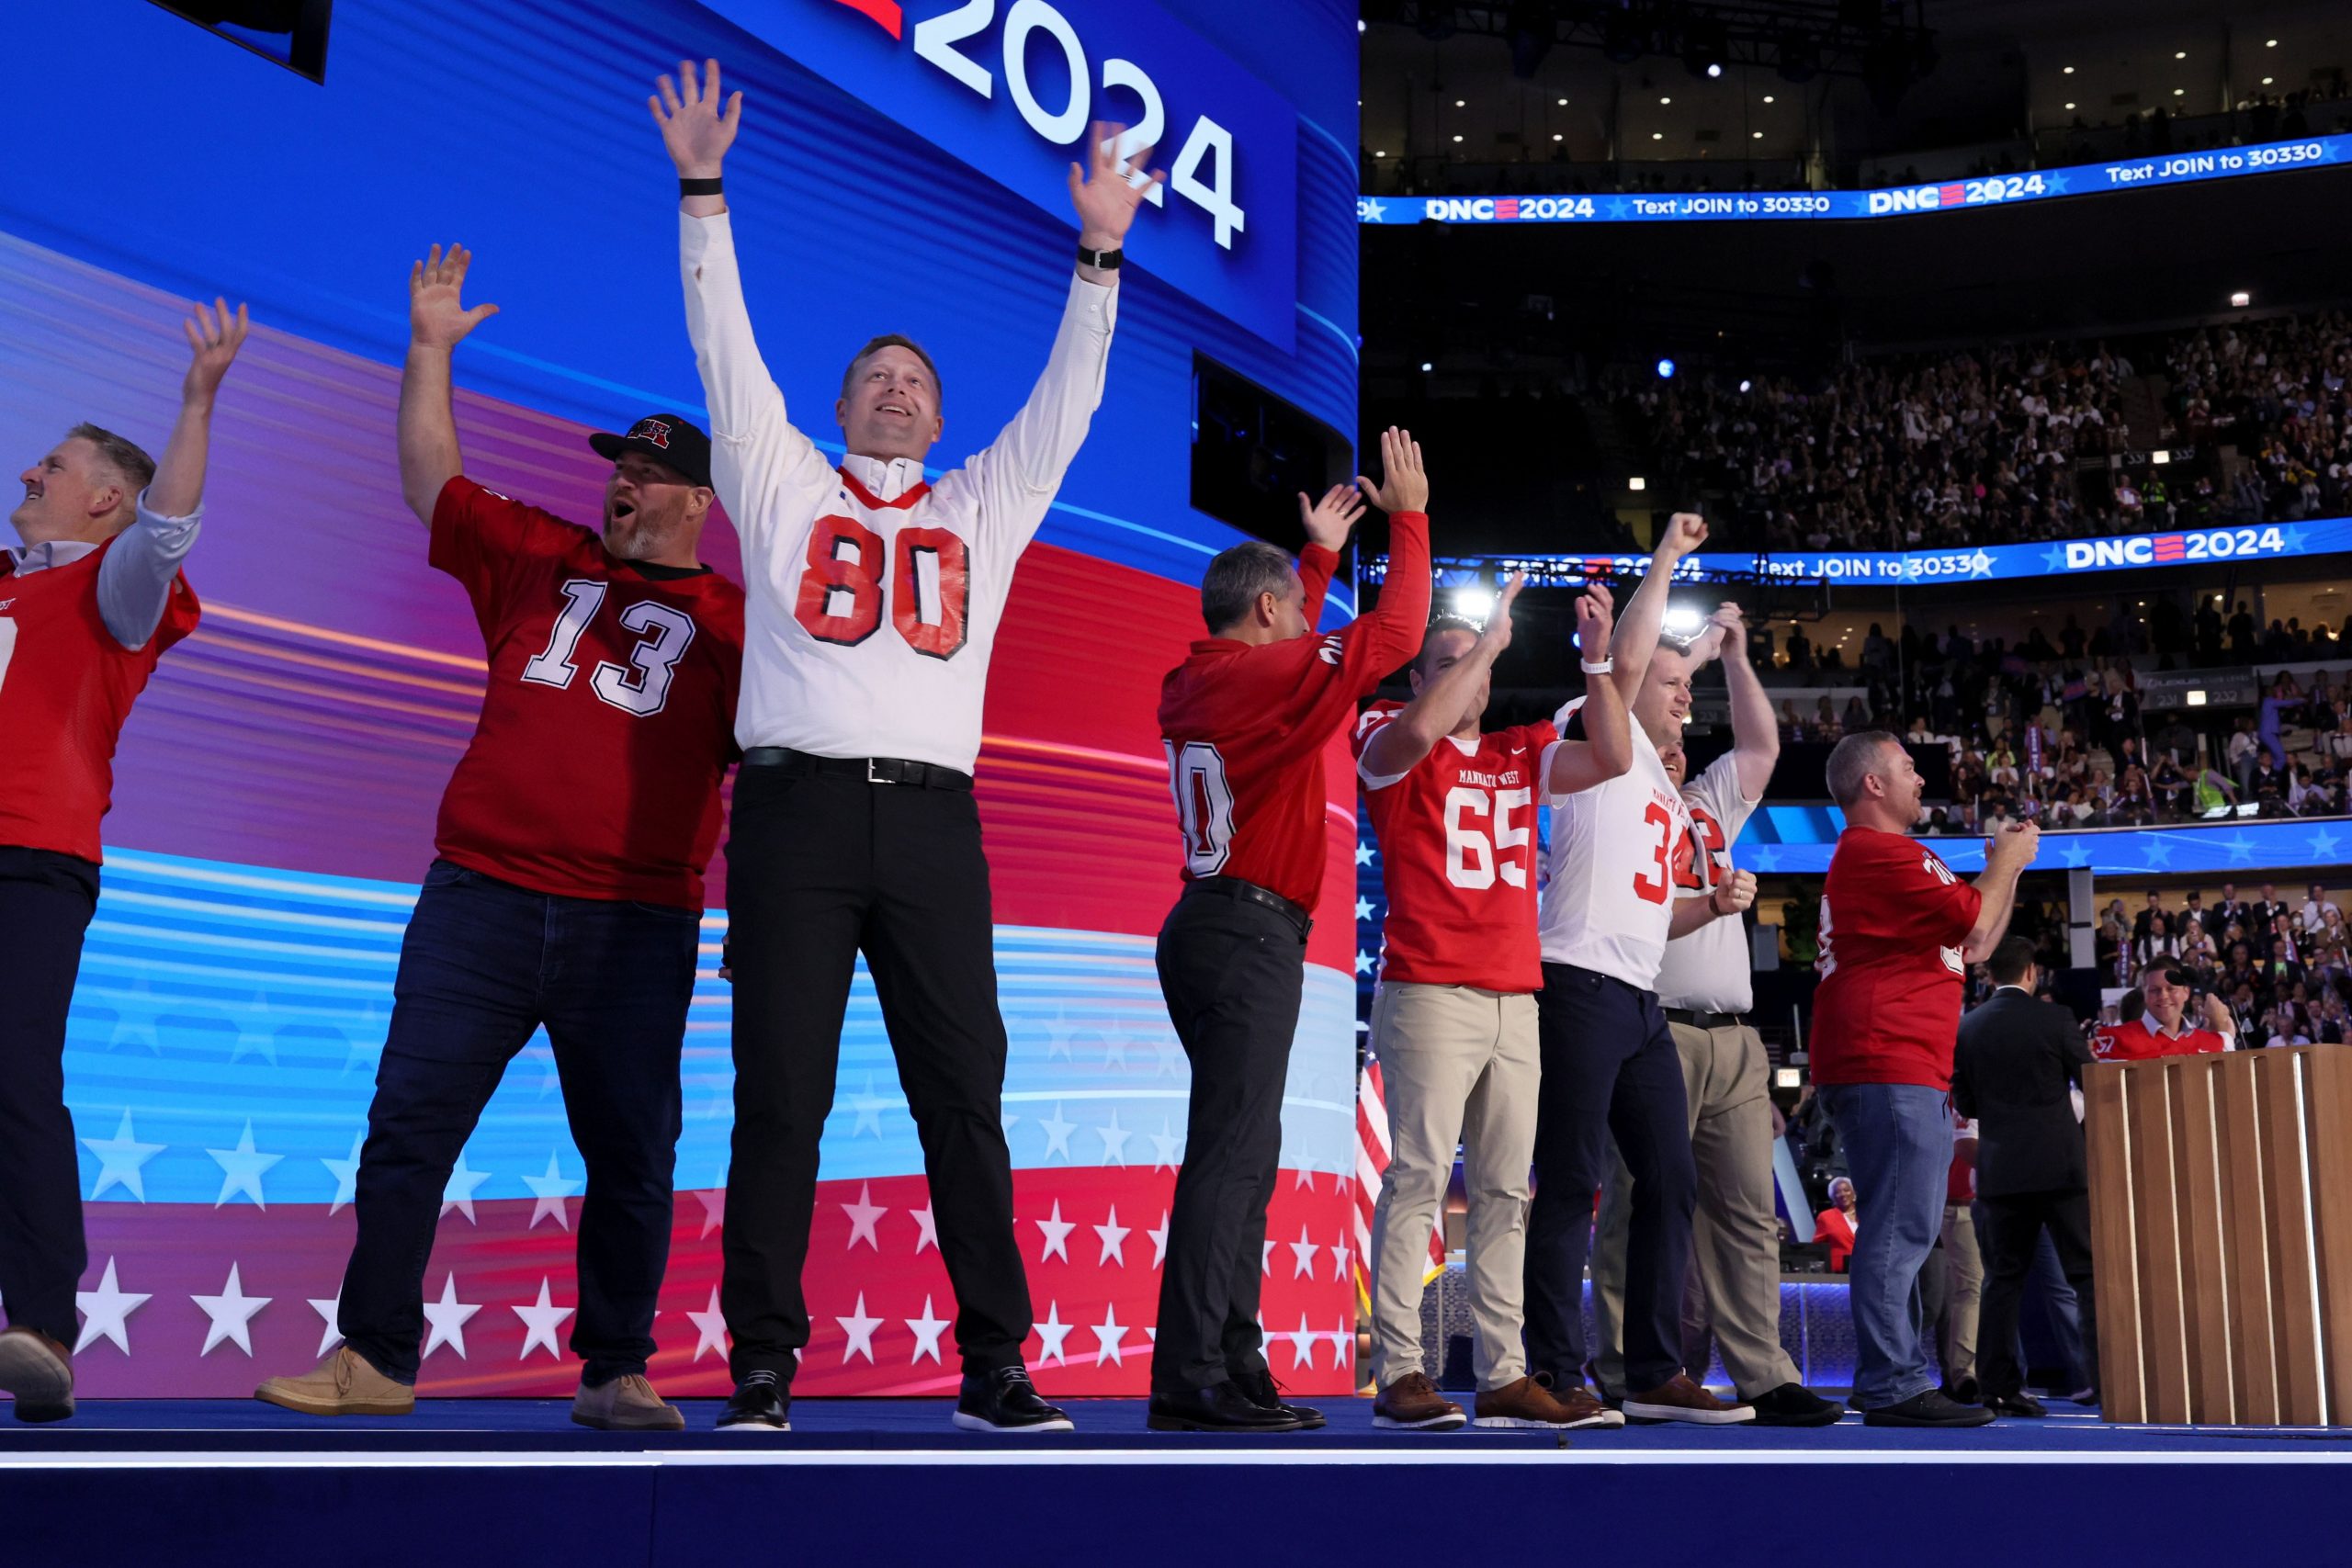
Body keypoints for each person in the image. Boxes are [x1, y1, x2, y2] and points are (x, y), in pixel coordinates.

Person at [653, 60, 1159, 1434]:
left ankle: (996, 1358)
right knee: (782, 1095)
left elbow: (1065, 406)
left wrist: (1100, 256)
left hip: (937, 823)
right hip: (795, 815)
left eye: (913, 380)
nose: (892, 389)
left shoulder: (984, 505)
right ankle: (764, 1361)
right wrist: (706, 196)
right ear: (840, 404)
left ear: (938, 418)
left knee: (964, 1095)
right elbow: (725, 348)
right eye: (873, 375)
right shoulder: (778, 479)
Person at [255, 245, 744, 1432]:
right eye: (618, 466)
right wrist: (428, 350)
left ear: (694, 500)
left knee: (633, 1147)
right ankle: (374, 1353)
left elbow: (789, 764)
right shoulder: (537, 555)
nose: (622, 482)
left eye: (646, 471)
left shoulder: (743, 624)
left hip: (636, 920)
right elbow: (435, 482)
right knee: (407, 1123)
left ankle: (616, 1365)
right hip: (478, 893)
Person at [1148, 430, 1432, 1431]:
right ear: (1269, 613)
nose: (1309, 621)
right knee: (1230, 1157)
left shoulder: (1201, 678)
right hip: (1247, 939)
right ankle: (1190, 1376)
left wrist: (1311, 559)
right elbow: (1394, 640)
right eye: (1300, 607)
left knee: (1242, 1153)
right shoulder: (1263, 679)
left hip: (1205, 927)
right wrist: (1410, 517)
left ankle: (1232, 1359)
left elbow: (1289, 649)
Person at [0, 298, 243, 1424]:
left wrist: (196, 400)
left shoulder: (115, 589)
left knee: (12, 1081)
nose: (29, 470)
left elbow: (170, 529)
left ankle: (41, 1326)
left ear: (103, 496)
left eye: (51, 463)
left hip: (28, 859)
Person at [1355, 577, 1633, 1433]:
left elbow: (1615, 755)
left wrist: (1595, 657)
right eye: (1444, 662)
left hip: (1517, 996)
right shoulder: (1384, 733)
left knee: (1510, 1189)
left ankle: (1506, 1372)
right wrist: (1486, 643)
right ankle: (1401, 1365)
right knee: (1418, 1178)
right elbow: (1412, 730)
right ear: (1419, 678)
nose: (1467, 673)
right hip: (1431, 987)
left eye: (1473, 662)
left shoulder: (1520, 747)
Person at [1523, 512, 1758, 1427]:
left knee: (1671, 1177)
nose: (1683, 694)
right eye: (1673, 682)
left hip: (1636, 993)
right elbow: (1626, 669)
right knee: (1572, 1176)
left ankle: (1655, 1370)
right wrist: (1663, 559)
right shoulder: (1588, 731)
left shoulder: (1662, 780)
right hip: (1574, 980)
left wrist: (1706, 650)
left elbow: (1654, 909)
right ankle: (1556, 1368)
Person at [1589, 602, 1839, 1427]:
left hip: (1734, 1034)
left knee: (1744, 1209)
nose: (1682, 713)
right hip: (1650, 1018)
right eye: (1667, 692)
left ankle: (1763, 1373)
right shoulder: (1612, 784)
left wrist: (1732, 654)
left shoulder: (1707, 799)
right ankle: (1627, 1367)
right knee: (1636, 1201)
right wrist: (1681, 657)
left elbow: (1763, 745)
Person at [1812, 729, 2039, 1427]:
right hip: (1890, 1056)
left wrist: (2013, 870)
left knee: (1900, 1226)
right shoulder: (1880, 851)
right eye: (1907, 766)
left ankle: (1892, 1373)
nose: (1920, 777)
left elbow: (1973, 946)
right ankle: (1892, 1381)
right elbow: (1972, 914)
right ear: (1872, 783)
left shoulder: (1885, 859)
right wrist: (2004, 860)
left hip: (1899, 1059)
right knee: (1897, 1229)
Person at [1951, 939, 2100, 1416]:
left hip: (2001, 1173)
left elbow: (1967, 1104)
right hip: (2060, 1167)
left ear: (1990, 974)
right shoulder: (2055, 1019)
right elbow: (2092, 1080)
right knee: (2085, 1277)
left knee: (2002, 1282)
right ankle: (2104, 1382)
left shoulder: (1968, 1027)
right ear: (2032, 972)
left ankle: (1999, 1388)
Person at [2094, 964, 2235, 1060]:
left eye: (2171, 989)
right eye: (2155, 990)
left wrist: (2220, 1035)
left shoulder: (2207, 1041)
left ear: (2186, 993)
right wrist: (2221, 1033)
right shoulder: (2113, 1039)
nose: (2163, 996)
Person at [1815, 1177, 1858, 1273]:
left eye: (1846, 1190)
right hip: (1839, 1272)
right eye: (1838, 1192)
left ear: (1853, 1193)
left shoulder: (1865, 1215)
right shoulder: (1826, 1217)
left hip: (1865, 1268)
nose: (1843, 1194)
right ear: (1833, 1197)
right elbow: (1817, 1248)